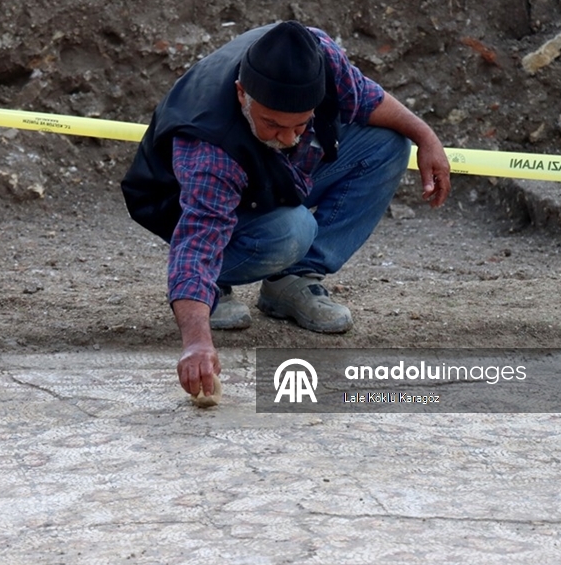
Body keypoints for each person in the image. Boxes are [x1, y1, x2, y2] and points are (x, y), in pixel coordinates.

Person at [121, 21, 451, 401]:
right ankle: (214, 287)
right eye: (274, 124)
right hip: (181, 203)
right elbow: (196, 245)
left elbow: (366, 100)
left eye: (301, 124)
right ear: (242, 94)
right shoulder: (209, 146)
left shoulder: (316, 54)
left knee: (388, 144)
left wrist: (426, 137)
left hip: (267, 176)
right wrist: (196, 344)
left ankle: (289, 282)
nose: (290, 138)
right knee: (292, 231)